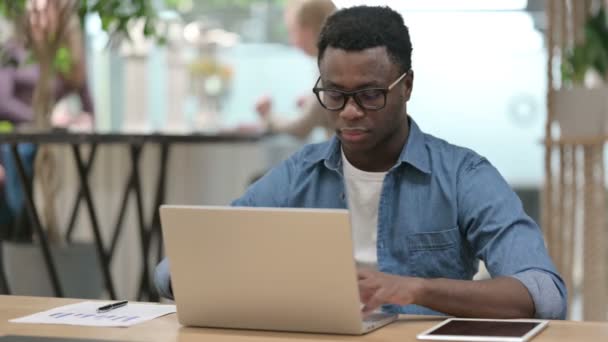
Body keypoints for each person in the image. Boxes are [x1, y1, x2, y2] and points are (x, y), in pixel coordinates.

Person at [156, 6, 567, 319]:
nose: (350, 112)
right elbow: (175, 268)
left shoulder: (463, 176)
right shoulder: (299, 174)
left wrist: (415, 289)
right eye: (334, 95)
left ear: (406, 86)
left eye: (370, 95)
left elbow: (543, 293)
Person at [254, 0, 335, 139]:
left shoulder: (331, 67)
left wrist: (267, 116)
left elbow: (300, 128)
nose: (292, 41)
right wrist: (314, 105)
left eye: (293, 31)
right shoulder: (336, 61)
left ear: (308, 30)